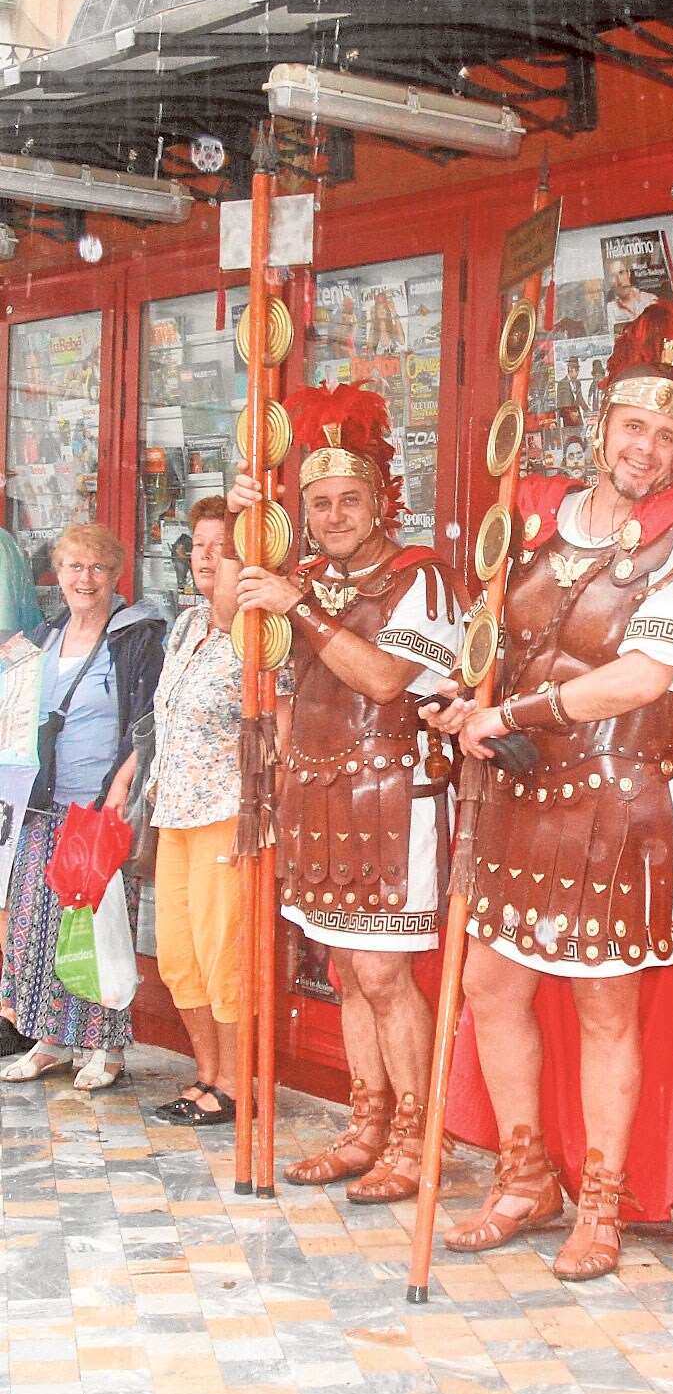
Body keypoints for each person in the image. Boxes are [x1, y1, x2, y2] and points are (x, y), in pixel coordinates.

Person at [424, 308, 673, 1278]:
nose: (648, 447)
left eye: (667, 435)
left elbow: (645, 676)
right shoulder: (532, 526)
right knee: (489, 982)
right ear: (601, 432)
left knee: (603, 1003)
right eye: (634, 427)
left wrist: (508, 714)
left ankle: (600, 1202)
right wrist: (466, 697)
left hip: (618, 797)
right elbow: (492, 644)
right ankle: (522, 1175)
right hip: (522, 791)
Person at [224, 383, 464, 1195]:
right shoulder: (308, 578)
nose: (333, 516)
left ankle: (416, 1137)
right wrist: (241, 528)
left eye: (348, 499)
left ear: (381, 501)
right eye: (318, 502)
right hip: (322, 801)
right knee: (351, 974)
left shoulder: (422, 578)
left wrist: (302, 606)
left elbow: (387, 677)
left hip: (397, 798)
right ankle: (367, 1124)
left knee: (384, 974)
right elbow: (250, 646)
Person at [0, 523, 165, 1091]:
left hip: (98, 808)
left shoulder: (137, 636)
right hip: (41, 808)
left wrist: (121, 789)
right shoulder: (44, 636)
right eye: (73, 567)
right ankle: (50, 1039)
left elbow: (147, 723)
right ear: (58, 574)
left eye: (97, 567)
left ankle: (108, 1046)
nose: (84, 578)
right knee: (38, 927)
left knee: (99, 929)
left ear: (115, 574)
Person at [148, 498, 250, 1127]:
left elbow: (281, 735)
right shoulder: (186, 626)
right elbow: (164, 717)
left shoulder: (261, 639)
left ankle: (237, 1084)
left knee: (225, 956)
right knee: (178, 955)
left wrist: (264, 818)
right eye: (202, 544)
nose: (208, 557)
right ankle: (205, 1075)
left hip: (227, 813)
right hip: (175, 813)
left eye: (225, 547)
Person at [604, 259, 654, 328]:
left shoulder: (650, 299)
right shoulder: (610, 308)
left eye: (621, 272)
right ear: (610, 280)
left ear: (629, 273)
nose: (619, 280)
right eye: (613, 275)